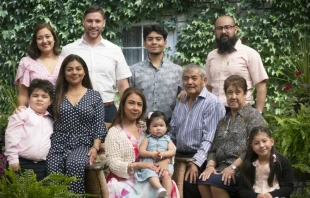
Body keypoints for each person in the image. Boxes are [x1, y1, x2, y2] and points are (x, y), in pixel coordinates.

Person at [197, 75, 268, 198]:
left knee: (216, 184)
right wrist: (210, 166)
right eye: (229, 93)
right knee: (202, 182)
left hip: (243, 170)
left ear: (245, 94)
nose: (233, 97)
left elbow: (254, 148)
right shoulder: (223, 121)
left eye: (237, 92)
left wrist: (233, 167)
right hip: (221, 169)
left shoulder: (253, 116)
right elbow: (213, 149)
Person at [46, 54, 106, 194]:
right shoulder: (55, 94)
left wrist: (95, 147)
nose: (74, 72)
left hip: (83, 144)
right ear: (64, 72)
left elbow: (99, 125)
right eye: (70, 69)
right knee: (53, 172)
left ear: (84, 72)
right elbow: (42, 111)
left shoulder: (94, 95)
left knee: (75, 165)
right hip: (58, 143)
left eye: (78, 69)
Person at [61, 5, 131, 124]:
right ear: (83, 22)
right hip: (76, 110)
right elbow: (61, 82)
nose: (93, 25)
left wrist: (126, 112)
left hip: (107, 111)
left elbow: (123, 86)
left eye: (97, 21)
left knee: (108, 143)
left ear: (104, 23)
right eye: (89, 21)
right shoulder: (68, 50)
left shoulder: (115, 50)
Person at [105, 87, 180, 198]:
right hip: (125, 180)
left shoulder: (147, 128)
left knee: (167, 185)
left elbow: (168, 146)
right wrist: (140, 165)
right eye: (131, 103)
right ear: (123, 105)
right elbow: (114, 164)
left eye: (139, 105)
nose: (135, 108)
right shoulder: (114, 132)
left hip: (151, 177)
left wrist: (166, 160)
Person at [170, 64, 225, 198]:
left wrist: (195, 163)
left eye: (194, 78)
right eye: (186, 79)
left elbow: (210, 138)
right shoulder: (181, 101)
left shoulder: (212, 103)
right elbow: (172, 131)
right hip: (177, 155)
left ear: (204, 81)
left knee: (190, 184)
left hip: (201, 157)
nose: (189, 82)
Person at [205, 15, 268, 114]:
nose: (223, 31)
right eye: (219, 28)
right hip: (214, 112)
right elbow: (208, 87)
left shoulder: (249, 53)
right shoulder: (211, 56)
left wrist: (258, 113)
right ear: (215, 31)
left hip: (242, 111)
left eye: (227, 27)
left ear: (235, 29)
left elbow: (261, 85)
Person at [129, 25, 183, 120]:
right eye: (150, 39)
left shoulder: (177, 71)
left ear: (165, 43)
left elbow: (185, 98)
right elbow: (128, 99)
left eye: (158, 39)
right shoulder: (134, 70)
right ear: (144, 43)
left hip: (169, 127)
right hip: (140, 126)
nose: (154, 42)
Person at [5, 79, 54, 181]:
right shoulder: (22, 114)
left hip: (41, 166)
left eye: (44, 96)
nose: (39, 99)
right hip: (20, 163)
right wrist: (12, 159)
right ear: (28, 98)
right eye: (35, 96)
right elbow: (11, 137)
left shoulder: (51, 120)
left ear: (50, 102)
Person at [14, 22, 64, 106]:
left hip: (61, 112)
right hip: (36, 114)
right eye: (40, 38)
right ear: (35, 42)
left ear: (54, 39)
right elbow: (23, 94)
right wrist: (22, 108)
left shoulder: (65, 62)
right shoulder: (26, 62)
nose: (44, 41)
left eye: (47, 36)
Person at [239, 126, 294, 198]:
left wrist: (272, 195)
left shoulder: (282, 162)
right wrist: (256, 196)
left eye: (264, 141)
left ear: (272, 141)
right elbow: (241, 190)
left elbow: (289, 187)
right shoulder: (248, 164)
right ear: (252, 146)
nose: (261, 145)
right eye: (256, 143)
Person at [135, 111, 176, 197]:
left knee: (167, 174)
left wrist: (164, 154)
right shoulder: (147, 139)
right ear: (149, 129)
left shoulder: (167, 139)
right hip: (150, 163)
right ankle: (159, 188)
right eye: (155, 126)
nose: (158, 128)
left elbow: (173, 151)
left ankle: (167, 195)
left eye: (161, 125)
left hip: (164, 163)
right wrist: (151, 154)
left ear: (166, 127)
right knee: (150, 173)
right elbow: (141, 151)